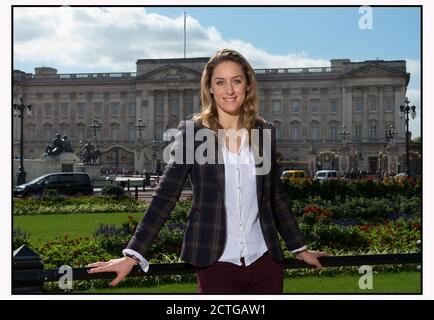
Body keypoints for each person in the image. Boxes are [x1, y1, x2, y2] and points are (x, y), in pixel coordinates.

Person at [87, 49, 328, 293]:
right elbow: (166, 195)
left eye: (237, 81)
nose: (230, 90)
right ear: (210, 88)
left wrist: (299, 248)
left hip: (265, 261)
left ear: (247, 85)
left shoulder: (262, 132)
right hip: (216, 261)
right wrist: (133, 254)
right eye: (220, 82)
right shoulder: (195, 134)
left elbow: (275, 196)